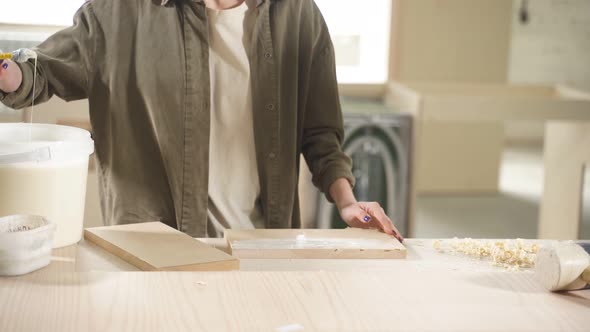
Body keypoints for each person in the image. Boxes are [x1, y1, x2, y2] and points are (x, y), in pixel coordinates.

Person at [0, 0, 403, 241]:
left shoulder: (298, 16)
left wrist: (347, 203)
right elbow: (42, 71)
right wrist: (11, 74)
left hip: (262, 248)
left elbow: (321, 136)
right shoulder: (117, 13)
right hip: (152, 252)